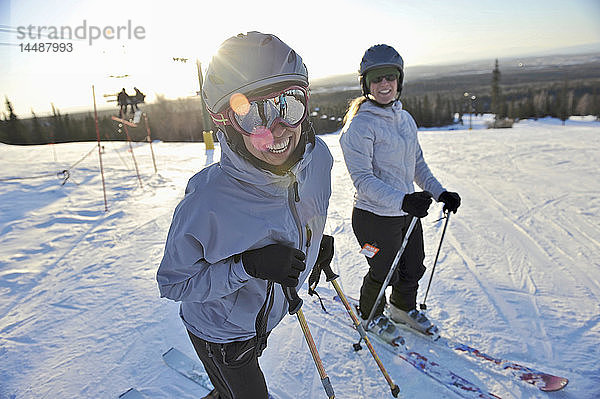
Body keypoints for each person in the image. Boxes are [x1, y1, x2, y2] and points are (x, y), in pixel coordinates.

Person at [156, 31, 334, 399]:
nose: (278, 127)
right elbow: (173, 284)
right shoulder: (207, 201)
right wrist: (246, 267)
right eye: (253, 112)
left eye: (289, 103)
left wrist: (315, 243)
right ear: (224, 121)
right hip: (221, 332)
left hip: (264, 317)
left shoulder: (319, 160)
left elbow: (303, 211)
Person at [339, 44, 461, 334]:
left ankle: (402, 308)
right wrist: (404, 200)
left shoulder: (405, 119)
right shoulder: (359, 127)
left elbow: (417, 164)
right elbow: (364, 182)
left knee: (413, 266)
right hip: (374, 216)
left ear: (399, 80)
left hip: (405, 212)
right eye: (377, 78)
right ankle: (370, 314)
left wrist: (439, 193)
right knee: (382, 271)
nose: (384, 84)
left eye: (390, 77)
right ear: (366, 84)